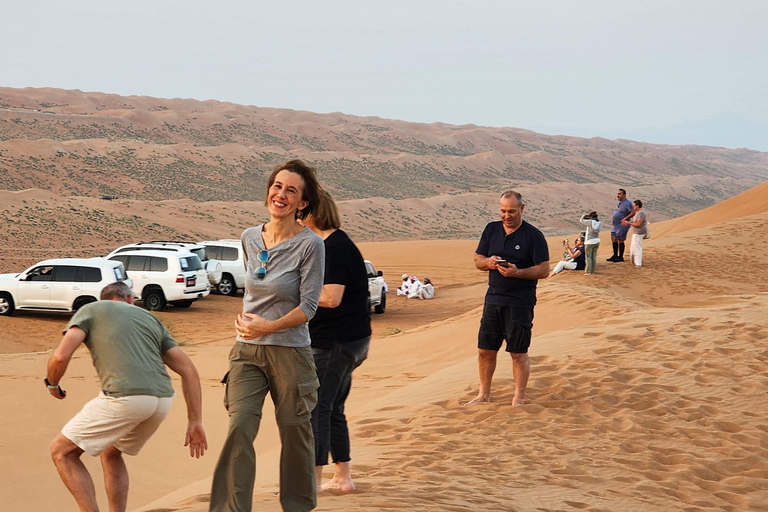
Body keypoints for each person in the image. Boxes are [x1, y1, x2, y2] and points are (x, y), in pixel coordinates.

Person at [209, 160, 325, 512]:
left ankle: (297, 505)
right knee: (240, 426)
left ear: (302, 202)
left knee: (294, 433)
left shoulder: (310, 245)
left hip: (290, 352)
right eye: (277, 186)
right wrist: (245, 319)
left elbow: (309, 306)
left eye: (291, 190)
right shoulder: (248, 237)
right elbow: (254, 292)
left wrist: (269, 326)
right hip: (246, 351)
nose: (281, 194)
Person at [47, 281, 207, 512]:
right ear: (130, 298)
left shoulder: (91, 309)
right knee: (112, 452)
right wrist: (195, 421)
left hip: (124, 397)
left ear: (104, 298)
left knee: (62, 451)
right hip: (161, 400)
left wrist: (52, 384)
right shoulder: (149, 318)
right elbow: (189, 370)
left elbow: (60, 357)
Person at [301, 189, 370, 493]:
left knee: (317, 408)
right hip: (349, 340)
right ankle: (343, 478)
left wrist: (297, 295)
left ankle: (310, 482)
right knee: (333, 408)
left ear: (313, 214)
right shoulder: (333, 244)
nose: (297, 220)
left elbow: (330, 297)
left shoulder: (333, 247)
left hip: (335, 343)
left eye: (300, 213)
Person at [466, 191, 549, 406]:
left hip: (520, 301)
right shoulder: (491, 229)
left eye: (511, 211)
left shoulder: (533, 236)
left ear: (522, 209)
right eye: (503, 211)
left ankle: (518, 398)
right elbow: (477, 259)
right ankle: (483, 394)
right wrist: (489, 263)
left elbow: (544, 269)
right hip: (493, 299)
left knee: (518, 352)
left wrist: (517, 272)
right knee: (485, 350)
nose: (506, 215)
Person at [607, 188, 634, 262]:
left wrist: (626, 218)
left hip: (622, 225)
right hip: (615, 224)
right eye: (617, 194)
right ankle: (615, 255)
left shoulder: (628, 203)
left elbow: (632, 212)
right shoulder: (619, 202)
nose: (618, 196)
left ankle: (620, 257)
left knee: (620, 240)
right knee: (614, 239)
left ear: (624, 195)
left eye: (619, 194)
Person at [622, 199, 648, 268]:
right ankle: (633, 261)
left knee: (637, 247)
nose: (633, 207)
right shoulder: (636, 213)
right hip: (635, 232)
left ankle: (638, 263)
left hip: (639, 232)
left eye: (634, 205)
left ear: (637, 206)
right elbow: (633, 221)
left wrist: (628, 223)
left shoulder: (641, 213)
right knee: (633, 247)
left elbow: (638, 224)